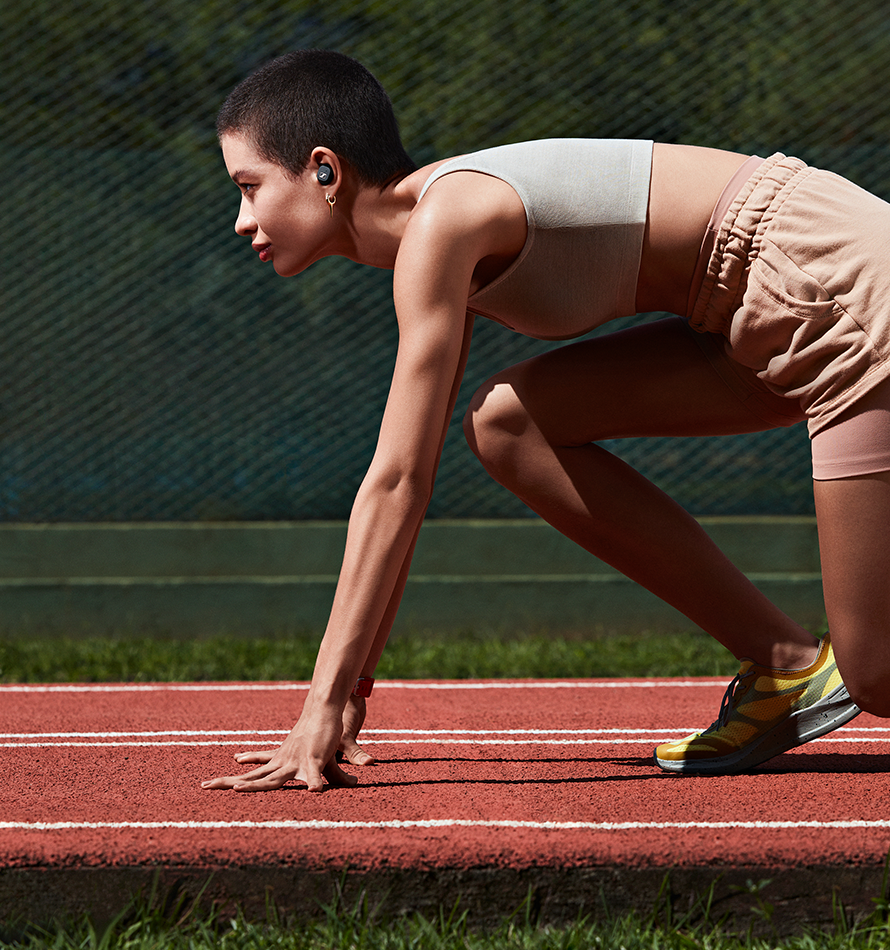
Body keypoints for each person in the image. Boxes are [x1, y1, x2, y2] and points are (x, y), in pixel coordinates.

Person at [202, 49, 890, 793]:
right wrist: (351, 696)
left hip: (829, 279)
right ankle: (786, 666)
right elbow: (414, 478)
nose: (242, 221)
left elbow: (395, 480)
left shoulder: (443, 223)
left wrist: (321, 702)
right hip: (752, 316)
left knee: (879, 675)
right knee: (508, 422)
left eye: (250, 187)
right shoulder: (438, 240)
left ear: (324, 171)